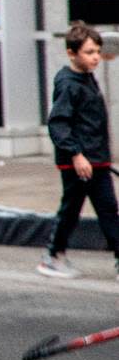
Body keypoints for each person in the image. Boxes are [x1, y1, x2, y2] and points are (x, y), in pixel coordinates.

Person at [37, 22, 119, 280]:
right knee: (75, 208)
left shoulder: (84, 75)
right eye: (89, 52)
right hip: (80, 161)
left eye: (97, 51)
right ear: (72, 54)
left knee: (105, 208)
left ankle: (55, 253)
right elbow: (59, 122)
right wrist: (76, 154)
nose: (96, 57)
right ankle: (52, 255)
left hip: (96, 158)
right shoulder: (68, 84)